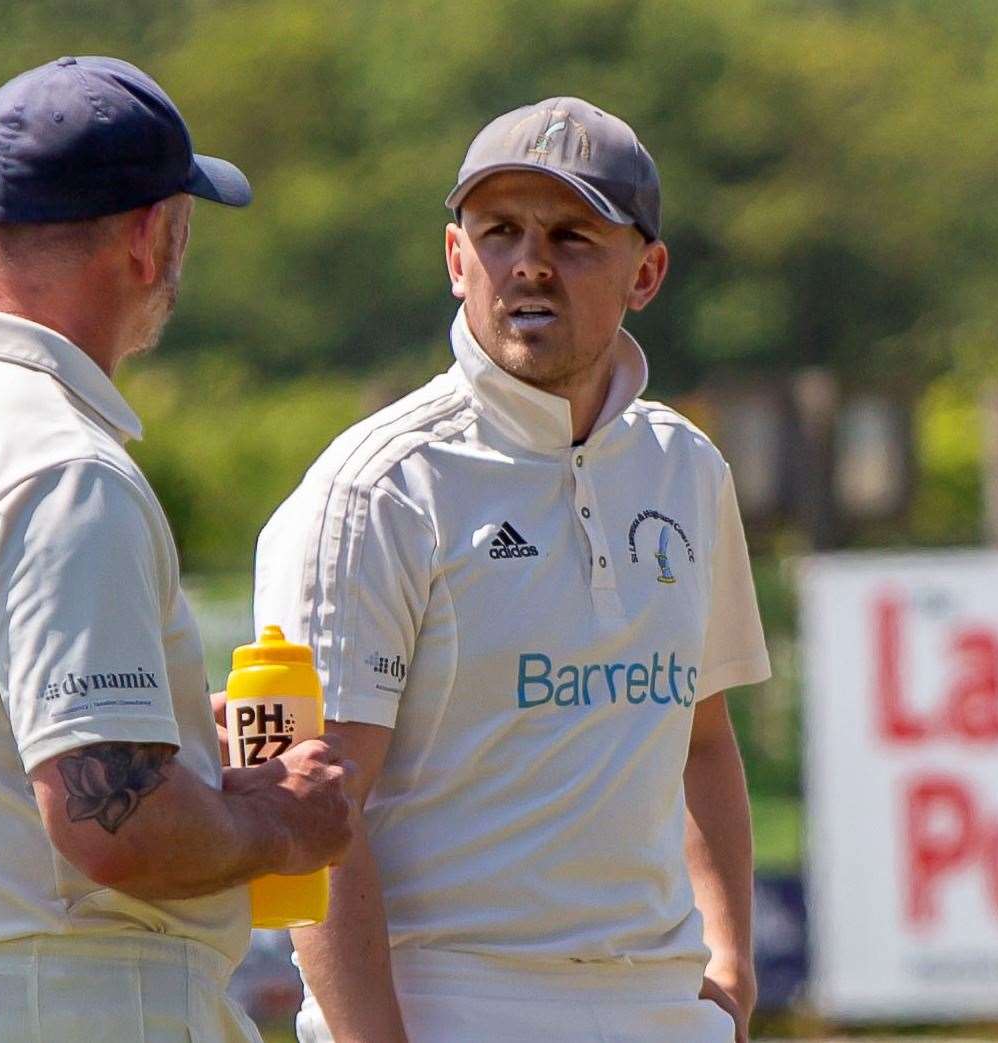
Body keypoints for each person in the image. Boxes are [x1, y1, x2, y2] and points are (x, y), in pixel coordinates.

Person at [0, 56, 353, 1043]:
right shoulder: (62, 467)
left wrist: (166, 740)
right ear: (150, 236)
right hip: (80, 1003)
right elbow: (111, 822)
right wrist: (278, 822)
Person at [254, 97, 772, 1043]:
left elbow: (702, 739)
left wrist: (730, 971)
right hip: (446, 999)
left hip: (658, 1002)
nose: (531, 262)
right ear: (457, 260)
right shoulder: (377, 489)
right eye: (501, 232)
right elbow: (314, 808)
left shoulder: (688, 468)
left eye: (574, 236)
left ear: (646, 273)